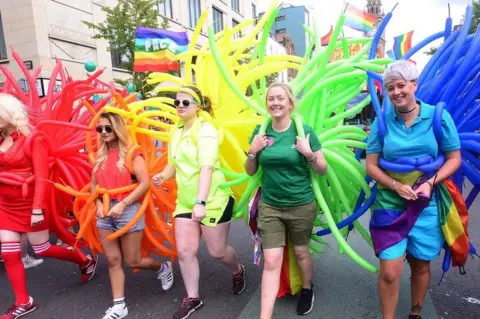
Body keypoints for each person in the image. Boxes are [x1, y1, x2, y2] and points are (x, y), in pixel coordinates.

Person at [366, 61, 462, 319]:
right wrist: (396, 185)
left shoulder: (437, 116)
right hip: (389, 203)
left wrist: (430, 183)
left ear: (414, 85)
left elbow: (454, 158)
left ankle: (415, 312)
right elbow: (372, 166)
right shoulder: (382, 122)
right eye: (390, 88)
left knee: (420, 264)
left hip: (426, 205)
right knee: (389, 270)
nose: (396, 92)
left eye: (401, 85)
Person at [0, 93, 97, 319]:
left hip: (30, 204)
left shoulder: (34, 139)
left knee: (43, 248)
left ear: (8, 114)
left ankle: (84, 260)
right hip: (5, 205)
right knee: (10, 253)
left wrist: (37, 209)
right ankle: (23, 302)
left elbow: (43, 177)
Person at [153, 85, 246, 319]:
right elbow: (172, 165)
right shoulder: (176, 132)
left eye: (186, 102)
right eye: (177, 102)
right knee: (185, 252)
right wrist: (163, 176)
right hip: (185, 201)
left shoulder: (205, 130)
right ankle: (192, 298)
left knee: (217, 252)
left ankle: (237, 269)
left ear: (198, 105)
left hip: (212, 199)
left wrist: (200, 202)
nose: (180, 106)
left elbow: (207, 167)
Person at [245, 83, 328, 318]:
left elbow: (322, 169)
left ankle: (307, 288)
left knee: (301, 251)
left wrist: (308, 153)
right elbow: (250, 171)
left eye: (280, 98)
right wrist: (253, 151)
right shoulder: (260, 133)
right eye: (271, 99)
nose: (275, 103)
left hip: (301, 204)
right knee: (271, 261)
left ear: (290, 103)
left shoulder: (305, 131)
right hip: (270, 205)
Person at [92, 112, 174, 319]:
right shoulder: (100, 156)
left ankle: (163, 267)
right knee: (112, 260)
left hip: (128, 211)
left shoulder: (132, 153)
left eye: (108, 128)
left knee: (133, 260)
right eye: (99, 129)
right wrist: (98, 203)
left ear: (118, 129)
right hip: (104, 214)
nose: (103, 132)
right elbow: (93, 187)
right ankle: (119, 307)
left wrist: (123, 204)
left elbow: (145, 183)